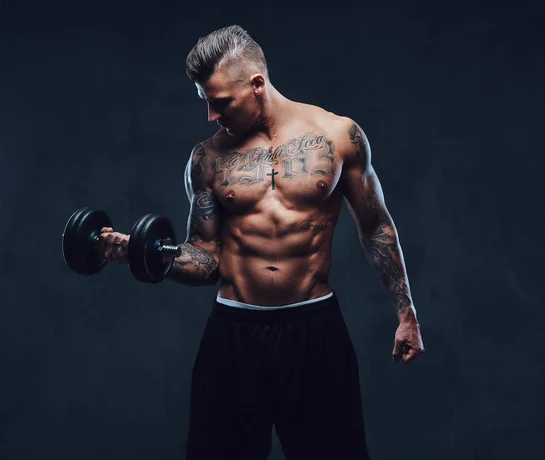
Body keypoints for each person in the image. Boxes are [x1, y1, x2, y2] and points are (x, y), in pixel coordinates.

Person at [98, 24, 425, 460]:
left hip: (315, 334)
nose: (211, 116)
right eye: (207, 103)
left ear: (256, 85)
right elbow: (205, 258)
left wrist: (406, 313)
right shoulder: (206, 159)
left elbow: (375, 226)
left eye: (220, 103)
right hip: (233, 336)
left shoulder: (338, 136)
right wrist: (145, 255)